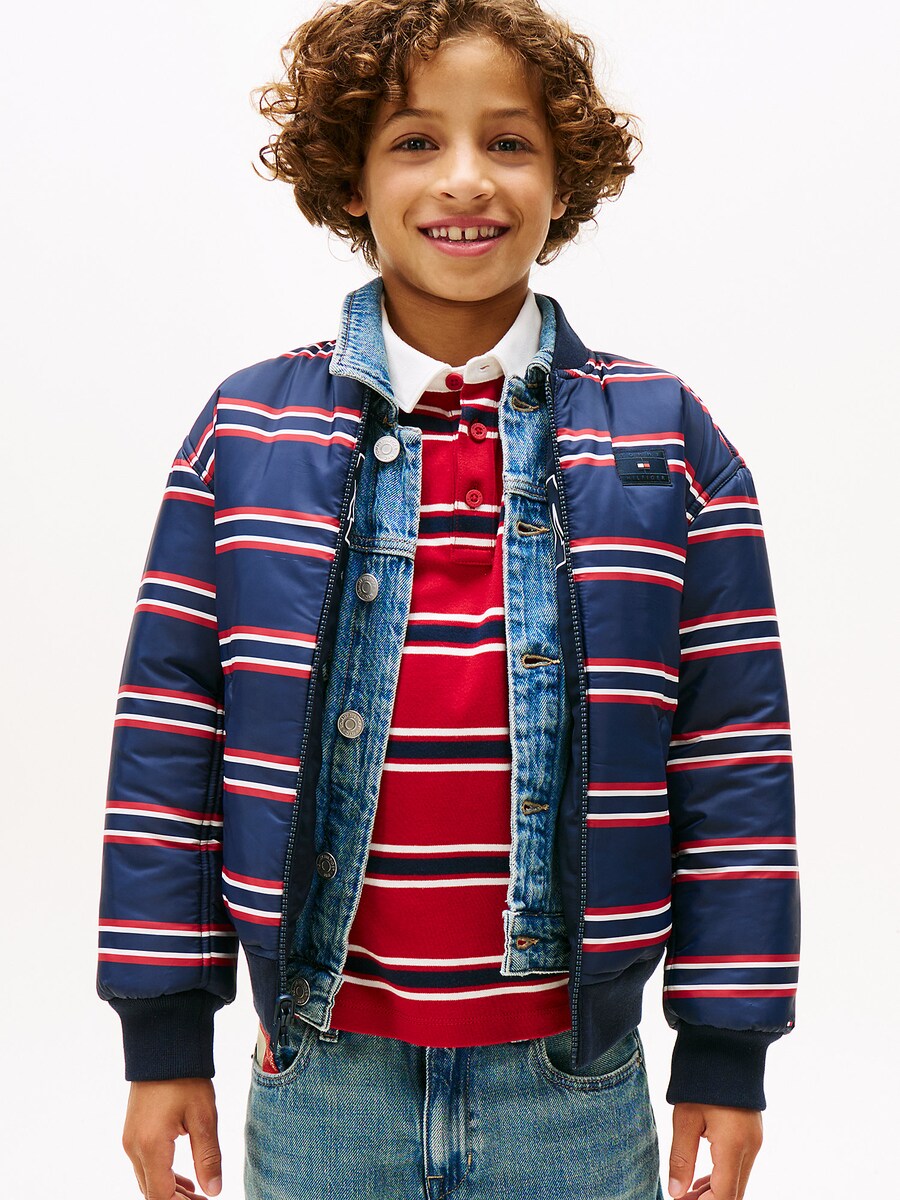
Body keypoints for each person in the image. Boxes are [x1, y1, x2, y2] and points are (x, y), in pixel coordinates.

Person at [96, 2, 800, 1199]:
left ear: (563, 176)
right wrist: (163, 1037)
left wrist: (727, 1054)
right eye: (416, 141)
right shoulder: (245, 433)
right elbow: (170, 740)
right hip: (319, 1080)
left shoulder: (669, 439)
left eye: (509, 141)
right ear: (351, 179)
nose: (465, 178)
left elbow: (733, 755)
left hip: (575, 1085)